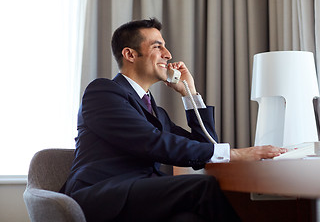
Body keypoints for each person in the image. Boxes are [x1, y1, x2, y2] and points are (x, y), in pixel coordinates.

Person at [61, 18, 286, 222]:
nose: (168, 54)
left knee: (189, 219)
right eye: (158, 46)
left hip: (141, 196)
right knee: (202, 186)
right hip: (99, 196)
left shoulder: (156, 113)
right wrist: (236, 153)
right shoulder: (103, 92)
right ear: (130, 54)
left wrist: (190, 94)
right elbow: (151, 142)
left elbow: (206, 150)